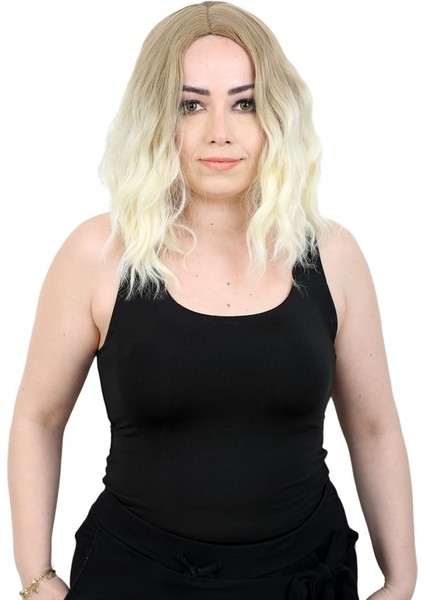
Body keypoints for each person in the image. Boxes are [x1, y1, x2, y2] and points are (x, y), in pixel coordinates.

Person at [8, 2, 417, 599]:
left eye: (244, 103)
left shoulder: (333, 254)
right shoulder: (98, 254)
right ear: (156, 117)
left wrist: (402, 579)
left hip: (306, 577)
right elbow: (38, 418)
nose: (219, 131)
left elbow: (376, 428)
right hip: (135, 578)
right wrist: (36, 578)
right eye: (190, 104)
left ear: (276, 114)